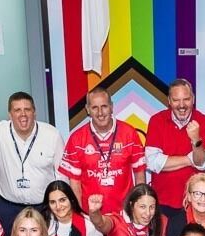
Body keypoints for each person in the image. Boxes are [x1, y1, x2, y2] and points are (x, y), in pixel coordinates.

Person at [0, 91, 65, 233]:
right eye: (17, 110)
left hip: (43, 208)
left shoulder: (52, 135)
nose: (23, 114)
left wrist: (60, 206)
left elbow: (62, 174)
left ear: (34, 112)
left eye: (27, 109)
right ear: (10, 115)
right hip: (8, 209)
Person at [59, 87, 145, 225]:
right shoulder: (76, 139)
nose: (100, 113)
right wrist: (82, 214)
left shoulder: (130, 133)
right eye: (94, 107)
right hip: (90, 217)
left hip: (125, 216)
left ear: (111, 107)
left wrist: (139, 209)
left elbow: (140, 175)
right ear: (87, 109)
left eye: (104, 106)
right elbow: (74, 183)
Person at [145, 78, 205, 217]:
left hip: (195, 202)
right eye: (176, 100)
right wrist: (189, 159)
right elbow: (152, 162)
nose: (182, 105)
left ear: (193, 99)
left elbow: (201, 163)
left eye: (186, 99)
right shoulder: (156, 121)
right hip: (162, 200)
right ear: (169, 101)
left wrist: (196, 140)